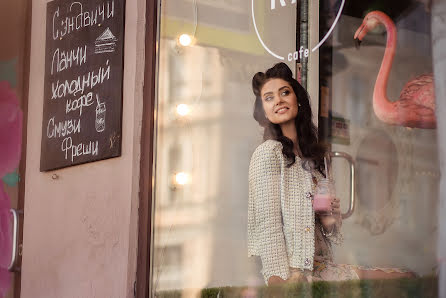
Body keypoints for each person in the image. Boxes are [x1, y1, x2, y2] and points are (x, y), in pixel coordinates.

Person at [247, 63, 415, 285]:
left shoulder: (314, 158)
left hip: (321, 265)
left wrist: (330, 218)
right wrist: (279, 284)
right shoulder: (268, 153)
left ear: (297, 99)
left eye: (284, 92)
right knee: (399, 280)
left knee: (406, 277)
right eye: (269, 98)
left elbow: (328, 230)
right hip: (296, 273)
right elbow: (268, 226)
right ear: (264, 112)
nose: (278, 100)